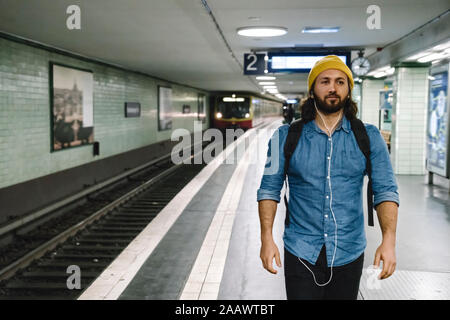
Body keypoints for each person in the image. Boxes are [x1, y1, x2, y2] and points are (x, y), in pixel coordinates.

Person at [256, 55, 399, 300]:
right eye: (325, 81)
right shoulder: (284, 137)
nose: (333, 88)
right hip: (300, 249)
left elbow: (385, 190)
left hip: (348, 250)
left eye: (340, 82)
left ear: (348, 90)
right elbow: (269, 189)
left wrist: (389, 240)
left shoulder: (369, 137)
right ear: (312, 90)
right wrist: (266, 238)